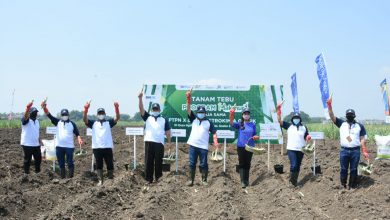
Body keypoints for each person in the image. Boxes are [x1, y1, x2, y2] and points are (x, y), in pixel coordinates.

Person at [327, 96, 369, 189]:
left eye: (351, 114)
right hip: (344, 150)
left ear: (354, 116)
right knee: (343, 169)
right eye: (348, 114)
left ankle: (352, 186)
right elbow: (331, 116)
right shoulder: (341, 124)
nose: (350, 116)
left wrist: (364, 150)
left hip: (355, 151)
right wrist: (329, 105)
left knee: (354, 169)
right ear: (346, 116)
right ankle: (343, 185)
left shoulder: (359, 126)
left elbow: (362, 139)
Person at [185, 89, 219, 186]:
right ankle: (190, 180)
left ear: (205, 113)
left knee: (203, 164)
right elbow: (188, 109)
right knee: (192, 163)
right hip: (193, 145)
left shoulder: (208, 122)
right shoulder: (193, 119)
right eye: (199, 112)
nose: (201, 113)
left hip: (203, 147)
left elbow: (214, 132)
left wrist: (215, 142)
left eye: (202, 112)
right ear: (197, 113)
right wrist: (188, 98)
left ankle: (204, 180)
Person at [41, 101, 83, 178]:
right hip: (59, 146)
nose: (64, 116)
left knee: (70, 162)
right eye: (63, 115)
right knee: (61, 163)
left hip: (69, 147)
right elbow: (49, 115)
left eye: (66, 115)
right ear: (61, 115)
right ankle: (63, 178)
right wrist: (44, 108)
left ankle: (71, 177)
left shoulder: (72, 124)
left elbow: (77, 134)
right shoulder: (58, 122)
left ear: (68, 115)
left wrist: (79, 139)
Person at [83, 101, 120, 186]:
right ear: (97, 115)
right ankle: (100, 180)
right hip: (97, 147)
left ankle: (110, 178)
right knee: (99, 164)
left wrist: (117, 108)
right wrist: (85, 109)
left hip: (107, 147)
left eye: (102, 113)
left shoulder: (108, 122)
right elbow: (85, 120)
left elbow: (117, 118)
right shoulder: (93, 123)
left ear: (105, 114)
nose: (101, 114)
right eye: (99, 113)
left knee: (109, 163)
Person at [138, 91, 172, 183]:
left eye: (157, 109)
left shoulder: (164, 120)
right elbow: (141, 109)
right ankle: (148, 179)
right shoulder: (147, 117)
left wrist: (169, 143)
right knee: (148, 161)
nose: (155, 111)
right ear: (152, 110)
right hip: (149, 142)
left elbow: (168, 132)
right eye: (154, 109)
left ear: (159, 110)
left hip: (159, 143)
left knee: (158, 162)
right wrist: (140, 98)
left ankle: (158, 178)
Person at [277, 103, 311, 187]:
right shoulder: (289, 126)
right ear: (292, 119)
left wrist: (308, 137)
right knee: (294, 164)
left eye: (297, 118)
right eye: (295, 118)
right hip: (291, 149)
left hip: (301, 149)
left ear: (300, 119)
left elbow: (306, 135)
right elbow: (279, 121)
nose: (296, 119)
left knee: (298, 165)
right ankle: (291, 182)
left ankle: (294, 181)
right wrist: (279, 110)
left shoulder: (304, 127)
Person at [229, 106, 259, 188]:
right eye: (245, 114)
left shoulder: (252, 125)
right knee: (242, 163)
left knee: (247, 163)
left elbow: (255, 135)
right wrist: (231, 113)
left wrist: (256, 137)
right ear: (242, 115)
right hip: (241, 146)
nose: (246, 115)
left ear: (249, 115)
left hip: (250, 147)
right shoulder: (240, 124)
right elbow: (231, 123)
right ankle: (242, 181)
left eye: (247, 114)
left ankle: (247, 180)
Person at [20, 100, 42, 174]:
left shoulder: (37, 121)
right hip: (27, 144)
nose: (35, 114)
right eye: (34, 112)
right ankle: (26, 173)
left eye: (36, 112)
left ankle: (38, 173)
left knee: (38, 159)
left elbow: (36, 132)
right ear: (30, 113)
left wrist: (39, 140)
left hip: (36, 144)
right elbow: (25, 116)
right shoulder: (26, 120)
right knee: (27, 159)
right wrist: (27, 108)